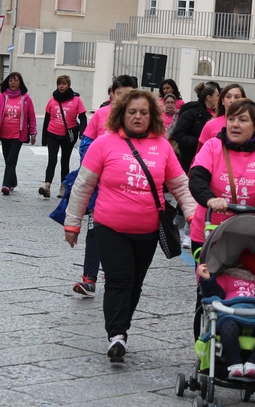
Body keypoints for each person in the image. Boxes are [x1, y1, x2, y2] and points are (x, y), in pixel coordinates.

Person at [63, 89, 196, 362]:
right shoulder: (104, 144)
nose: (138, 117)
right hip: (109, 227)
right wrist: (72, 224)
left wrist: (194, 215)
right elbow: (83, 186)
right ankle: (117, 335)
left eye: (144, 112)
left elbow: (181, 186)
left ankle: (122, 328)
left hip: (147, 232)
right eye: (132, 112)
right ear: (121, 113)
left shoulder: (162, 147)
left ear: (152, 116)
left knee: (134, 284)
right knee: (119, 279)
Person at [188, 99, 255, 255]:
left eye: (243, 120)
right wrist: (210, 199)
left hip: (249, 235)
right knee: (209, 278)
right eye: (231, 119)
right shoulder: (212, 146)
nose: (235, 124)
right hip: (210, 231)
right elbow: (197, 179)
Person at [70, 74, 138, 298]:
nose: (124, 100)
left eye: (129, 95)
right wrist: (96, 169)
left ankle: (116, 273)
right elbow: (86, 146)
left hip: (130, 189)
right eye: (120, 95)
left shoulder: (140, 119)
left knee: (124, 232)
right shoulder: (101, 115)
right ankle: (89, 279)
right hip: (102, 186)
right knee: (94, 230)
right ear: (112, 95)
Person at [0, 72, 37, 195]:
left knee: (11, 160)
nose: (13, 83)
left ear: (20, 83)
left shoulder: (26, 99)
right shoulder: (1, 97)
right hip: (4, 133)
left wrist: (33, 133)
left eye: (15, 81)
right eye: (10, 81)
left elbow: (32, 117)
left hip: (18, 135)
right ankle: (13, 181)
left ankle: (6, 185)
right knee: (8, 159)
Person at [40, 75, 87, 199]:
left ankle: (63, 187)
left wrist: (82, 131)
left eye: (64, 84)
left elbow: (83, 118)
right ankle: (47, 186)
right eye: (59, 84)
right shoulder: (52, 99)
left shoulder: (76, 100)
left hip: (68, 135)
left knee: (64, 161)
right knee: (52, 160)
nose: (61, 86)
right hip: (52, 134)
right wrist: (44, 138)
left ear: (69, 85)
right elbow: (46, 119)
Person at [172, 82, 219, 174]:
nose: (220, 98)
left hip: (211, 158)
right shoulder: (191, 113)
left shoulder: (218, 114)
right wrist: (200, 142)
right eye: (217, 96)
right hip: (190, 158)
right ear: (209, 98)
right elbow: (179, 134)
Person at [196, 83, 247, 152]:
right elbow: (200, 155)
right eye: (228, 97)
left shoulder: (250, 124)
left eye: (237, 97)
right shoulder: (210, 125)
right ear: (222, 101)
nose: (232, 100)